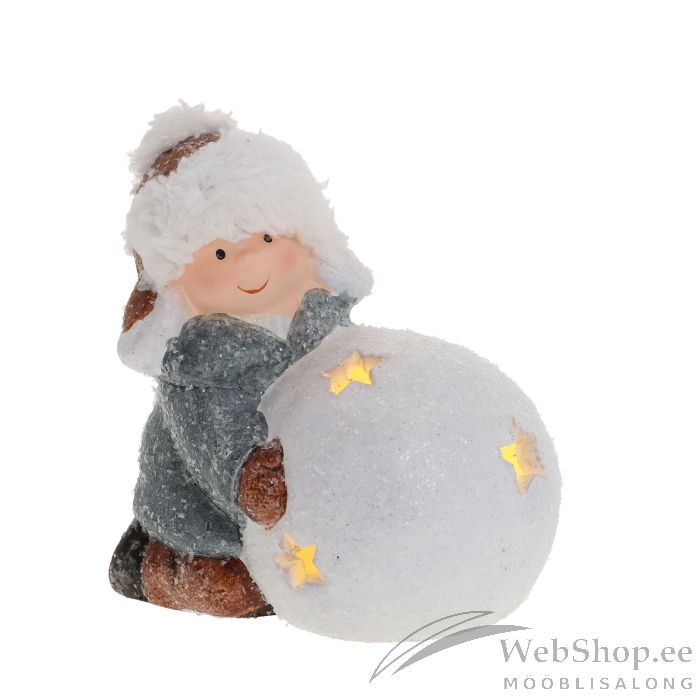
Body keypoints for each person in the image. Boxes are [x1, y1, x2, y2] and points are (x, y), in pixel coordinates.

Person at [109, 102, 373, 617]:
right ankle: (154, 566)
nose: (250, 262)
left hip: (307, 504)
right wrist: (247, 480)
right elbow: (214, 445)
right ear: (178, 285)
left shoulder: (325, 323)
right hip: (210, 515)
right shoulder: (200, 368)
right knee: (237, 587)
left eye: (267, 239)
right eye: (220, 254)